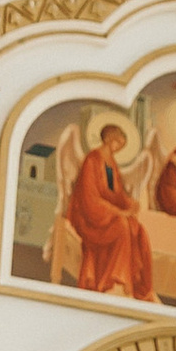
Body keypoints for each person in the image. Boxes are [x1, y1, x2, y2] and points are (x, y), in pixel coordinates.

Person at [63, 119, 154, 299]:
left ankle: (132, 282)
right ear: (108, 139)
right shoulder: (92, 160)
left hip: (105, 213)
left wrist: (129, 203)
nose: (119, 147)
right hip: (89, 216)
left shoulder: (111, 163)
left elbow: (115, 193)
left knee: (138, 230)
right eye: (118, 142)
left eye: (122, 144)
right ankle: (115, 280)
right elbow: (90, 198)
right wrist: (118, 212)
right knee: (122, 225)